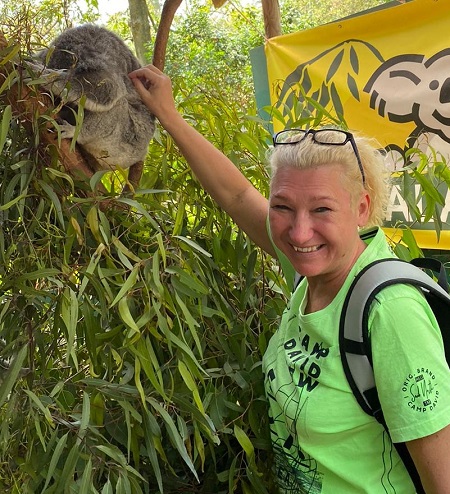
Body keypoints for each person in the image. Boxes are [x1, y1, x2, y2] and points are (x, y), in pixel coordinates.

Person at [129, 65, 450, 493]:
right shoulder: (313, 269)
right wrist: (169, 117)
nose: (298, 233)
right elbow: (237, 195)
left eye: (322, 210)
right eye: (282, 207)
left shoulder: (389, 313)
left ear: (361, 208)